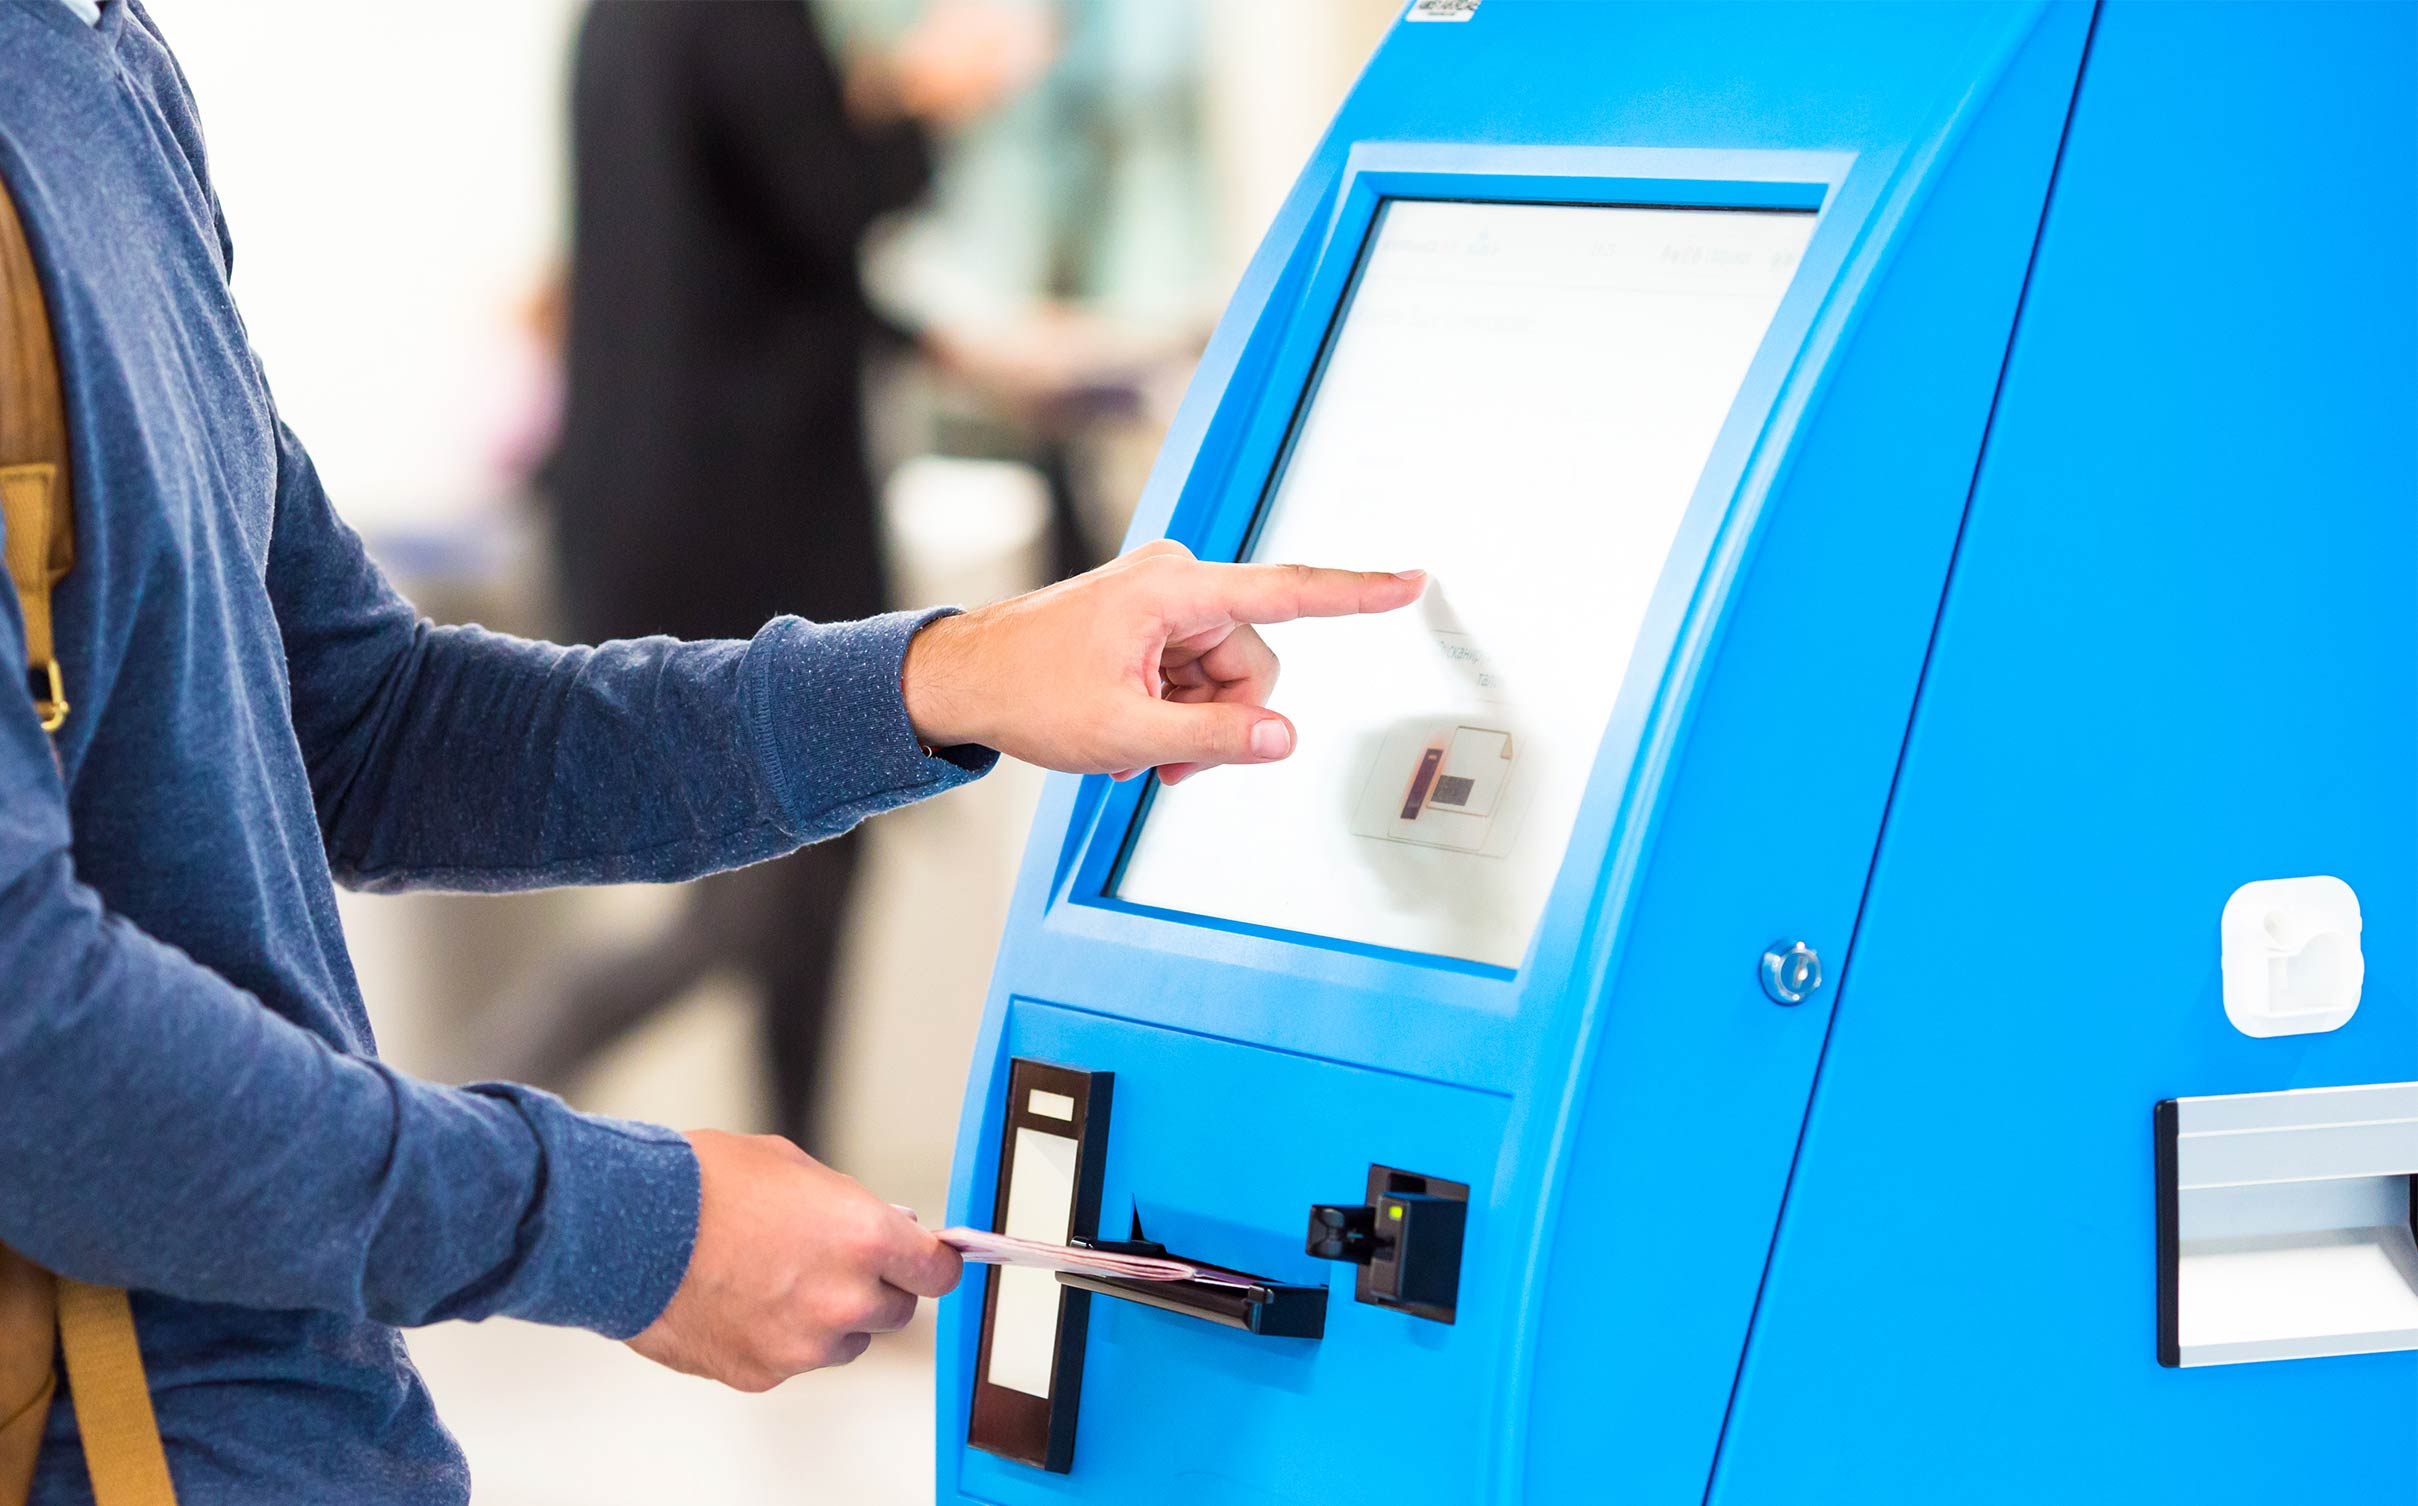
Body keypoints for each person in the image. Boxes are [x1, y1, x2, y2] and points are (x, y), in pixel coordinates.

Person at [0, 4, 1423, 1504]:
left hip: (295, 1426)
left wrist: (947, 679)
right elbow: (28, 1035)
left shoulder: (106, 63)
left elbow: (364, 724)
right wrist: (615, 1224)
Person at [512, 0, 1048, 1149]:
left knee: (768, 884)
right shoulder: (746, 14)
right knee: (775, 891)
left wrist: (930, 344)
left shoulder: (621, 22)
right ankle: (493, 1083)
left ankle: (788, 1162)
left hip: (646, 507)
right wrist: (927, 98)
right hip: (748, 522)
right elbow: (833, 196)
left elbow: (739, 254)